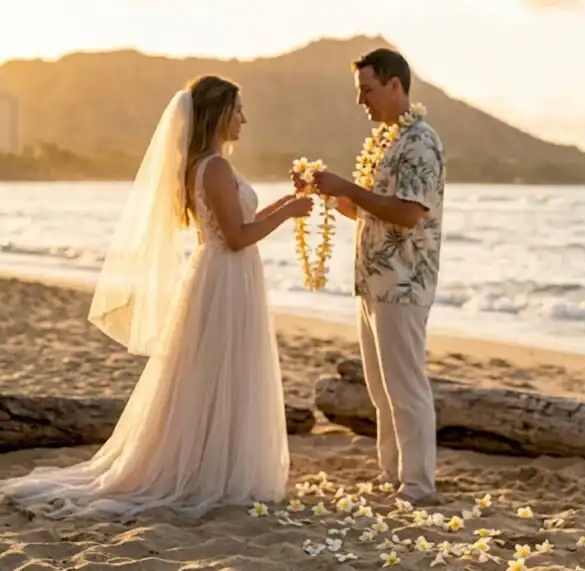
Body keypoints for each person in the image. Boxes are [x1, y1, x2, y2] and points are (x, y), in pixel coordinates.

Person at [0, 75, 313, 519]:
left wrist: (287, 203)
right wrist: (289, 215)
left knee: (217, 374)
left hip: (222, 274)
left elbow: (237, 223)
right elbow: (238, 237)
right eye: (238, 109)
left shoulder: (205, 164)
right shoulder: (215, 167)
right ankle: (212, 471)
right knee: (222, 372)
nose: (245, 118)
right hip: (225, 278)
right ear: (219, 113)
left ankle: (213, 464)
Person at [306, 48, 445, 506]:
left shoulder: (420, 141)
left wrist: (349, 187)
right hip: (373, 281)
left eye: (366, 90)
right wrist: (328, 191)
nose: (361, 100)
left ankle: (419, 485)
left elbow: (407, 213)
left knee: (405, 387)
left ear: (395, 86)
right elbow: (370, 213)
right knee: (381, 389)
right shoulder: (387, 140)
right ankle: (392, 475)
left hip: (403, 283)